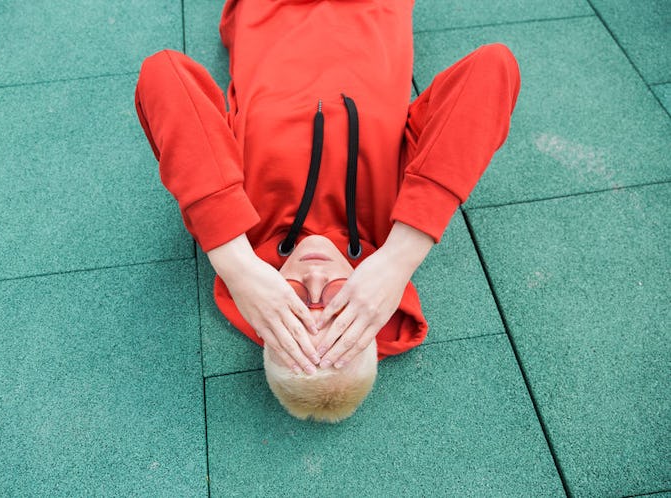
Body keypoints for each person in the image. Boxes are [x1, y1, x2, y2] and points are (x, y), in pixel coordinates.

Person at [135, 0, 521, 422]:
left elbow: (163, 72)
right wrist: (398, 260)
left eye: (295, 303)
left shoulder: (238, 222)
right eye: (340, 302)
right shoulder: (392, 219)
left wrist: (236, 265)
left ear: (264, 311)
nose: (315, 276)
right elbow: (493, 67)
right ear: (373, 307)